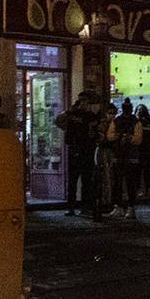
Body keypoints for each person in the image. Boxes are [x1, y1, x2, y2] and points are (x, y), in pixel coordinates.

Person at [54, 90, 102, 218]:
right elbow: (58, 122)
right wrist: (69, 111)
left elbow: (97, 132)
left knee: (87, 180)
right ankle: (71, 207)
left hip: (87, 151)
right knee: (72, 180)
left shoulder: (92, 116)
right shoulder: (72, 114)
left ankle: (85, 206)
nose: (83, 103)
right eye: (81, 101)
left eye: (85, 101)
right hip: (74, 150)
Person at [134, 103, 150, 200]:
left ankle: (147, 189)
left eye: (142, 110)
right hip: (138, 150)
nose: (140, 112)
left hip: (147, 150)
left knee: (146, 170)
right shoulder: (135, 122)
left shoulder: (148, 123)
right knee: (138, 170)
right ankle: (138, 189)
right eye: (139, 110)